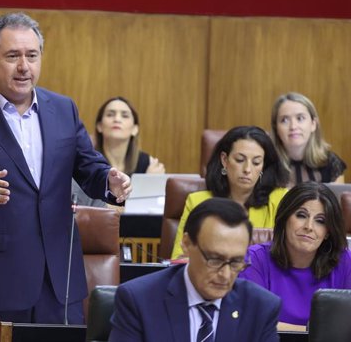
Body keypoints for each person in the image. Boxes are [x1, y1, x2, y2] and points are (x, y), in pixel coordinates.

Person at [0, 12, 132, 342]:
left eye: (32, 56)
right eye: (12, 56)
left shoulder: (63, 109)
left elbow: (89, 168)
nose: (24, 67)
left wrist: (109, 181)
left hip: (58, 285)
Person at [109, 198, 281, 342]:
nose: (225, 274)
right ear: (187, 244)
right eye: (215, 259)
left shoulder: (260, 308)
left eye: (236, 262)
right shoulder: (139, 301)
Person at [239, 181, 351, 331]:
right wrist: (314, 332)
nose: (309, 227)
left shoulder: (344, 262)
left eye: (320, 221)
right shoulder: (255, 260)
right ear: (285, 219)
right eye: (301, 215)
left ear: (328, 232)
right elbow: (252, 323)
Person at [171, 126, 289, 259]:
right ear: (224, 160)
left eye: (256, 162)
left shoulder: (280, 200)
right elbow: (179, 259)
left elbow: (287, 256)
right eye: (240, 160)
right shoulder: (197, 202)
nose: (247, 169)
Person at [271, 92, 346, 186]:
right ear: (276, 128)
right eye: (285, 120)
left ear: (313, 124)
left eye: (300, 118)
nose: (293, 126)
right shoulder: (266, 164)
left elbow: (336, 200)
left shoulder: (330, 163)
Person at [94, 96, 165, 174]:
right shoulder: (88, 161)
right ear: (99, 126)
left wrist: (149, 180)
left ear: (135, 129)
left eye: (125, 116)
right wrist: (145, 182)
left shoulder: (148, 163)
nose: (117, 119)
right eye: (110, 115)